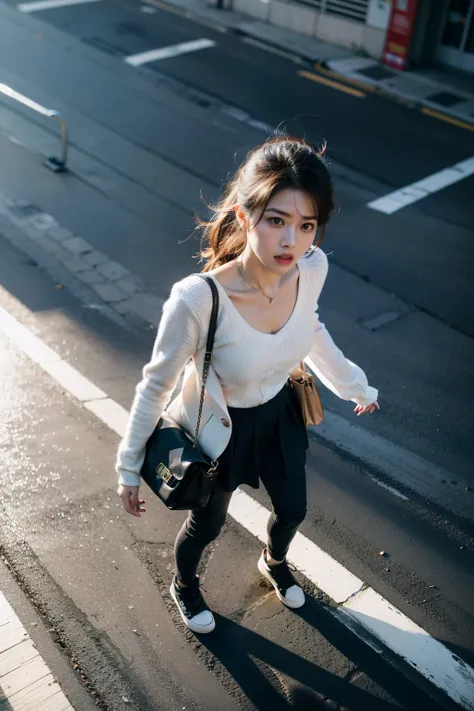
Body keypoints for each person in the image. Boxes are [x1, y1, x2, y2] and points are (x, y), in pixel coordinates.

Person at [116, 136, 379, 635]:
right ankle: (186, 585)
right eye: (277, 220)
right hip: (219, 429)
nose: (292, 242)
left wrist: (353, 385)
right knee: (207, 525)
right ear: (244, 216)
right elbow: (155, 385)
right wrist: (130, 466)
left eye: (307, 226)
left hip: (278, 415)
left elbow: (311, 328)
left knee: (293, 509)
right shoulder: (198, 299)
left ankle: (273, 561)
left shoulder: (312, 268)